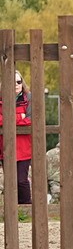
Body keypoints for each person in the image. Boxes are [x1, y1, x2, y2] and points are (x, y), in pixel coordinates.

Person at [0, 70, 33, 204]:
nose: (16, 85)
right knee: (9, 181)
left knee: (21, 180)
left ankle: (26, 207)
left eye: (19, 82)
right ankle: (12, 207)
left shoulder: (28, 98)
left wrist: (9, 118)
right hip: (6, 146)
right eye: (12, 82)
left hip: (24, 147)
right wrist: (20, 117)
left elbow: (31, 119)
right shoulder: (1, 99)